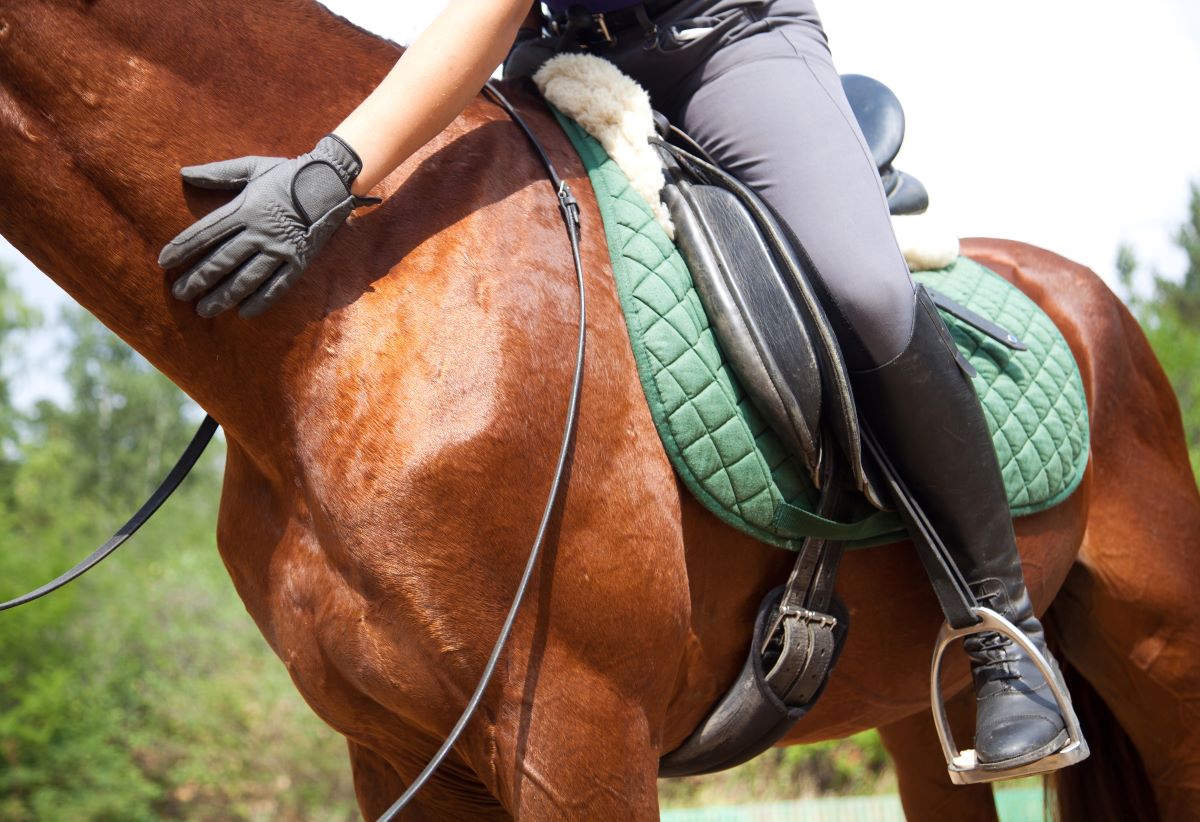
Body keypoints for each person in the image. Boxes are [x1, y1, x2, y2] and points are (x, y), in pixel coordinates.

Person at [158, 0, 1074, 774]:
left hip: (726, 45)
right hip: (554, 64)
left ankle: (1005, 634)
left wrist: (328, 176)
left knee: (868, 292)